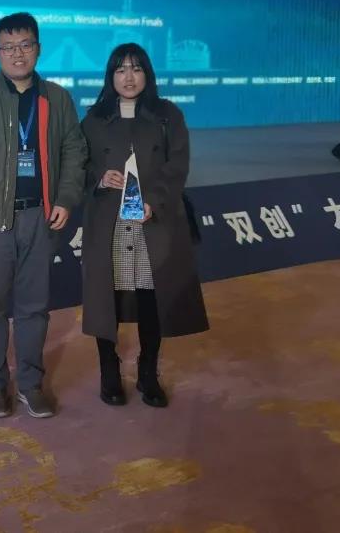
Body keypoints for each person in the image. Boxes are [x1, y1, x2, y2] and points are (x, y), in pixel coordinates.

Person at [0, 12, 87, 419]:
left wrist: (65, 198)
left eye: (25, 45)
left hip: (39, 219)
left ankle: (29, 383)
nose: (17, 54)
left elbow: (74, 150)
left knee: (33, 308)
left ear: (38, 48)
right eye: (8, 47)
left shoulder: (57, 98)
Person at [80, 43, 209, 408]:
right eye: (121, 69)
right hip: (110, 223)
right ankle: (109, 371)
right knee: (107, 301)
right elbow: (77, 165)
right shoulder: (93, 119)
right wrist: (99, 178)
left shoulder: (168, 115)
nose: (129, 77)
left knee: (152, 299)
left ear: (147, 74)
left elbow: (177, 165)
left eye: (136, 69)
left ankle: (148, 372)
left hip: (153, 220)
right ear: (110, 76)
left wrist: (154, 200)